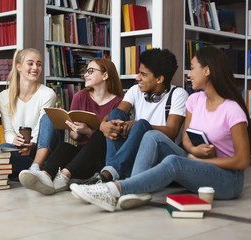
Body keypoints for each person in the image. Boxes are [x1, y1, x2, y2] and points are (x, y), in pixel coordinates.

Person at [70, 46, 251, 212]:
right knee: (151, 135)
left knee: (172, 159)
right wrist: (194, 150)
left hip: (228, 180)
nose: (189, 74)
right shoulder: (195, 101)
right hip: (195, 164)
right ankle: (133, 189)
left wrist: (201, 162)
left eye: (193, 67)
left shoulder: (232, 109)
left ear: (207, 70)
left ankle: (113, 188)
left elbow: (242, 161)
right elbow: (187, 139)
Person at [18, 58, 124, 195]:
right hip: (79, 155)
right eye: (86, 71)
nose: (86, 74)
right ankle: (45, 175)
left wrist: (87, 131)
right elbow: (74, 137)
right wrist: (76, 131)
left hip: (100, 159)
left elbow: (112, 139)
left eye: (91, 71)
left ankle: (64, 176)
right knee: (65, 145)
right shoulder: (80, 96)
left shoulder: (119, 103)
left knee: (100, 134)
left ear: (105, 75)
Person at [83, 48, 188, 185]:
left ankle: (108, 175)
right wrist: (103, 125)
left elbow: (172, 132)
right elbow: (114, 115)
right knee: (116, 115)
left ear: (159, 79)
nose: (137, 77)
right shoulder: (135, 90)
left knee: (142, 124)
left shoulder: (178, 94)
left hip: (164, 155)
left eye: (143, 74)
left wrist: (139, 125)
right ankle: (113, 176)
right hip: (137, 155)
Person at [0, 48, 57, 178]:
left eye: (39, 64)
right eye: (30, 63)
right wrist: (15, 141)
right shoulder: (4, 96)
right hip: (19, 149)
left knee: (48, 117)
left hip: (41, 148)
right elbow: (7, 130)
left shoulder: (47, 94)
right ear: (18, 66)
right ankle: (35, 171)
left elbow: (42, 128)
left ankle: (36, 165)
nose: (35, 68)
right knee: (2, 147)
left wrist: (31, 144)